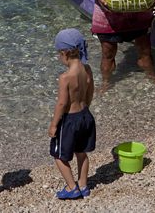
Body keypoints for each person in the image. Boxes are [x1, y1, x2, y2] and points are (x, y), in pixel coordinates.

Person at [49, 28, 96, 200]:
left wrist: (54, 124)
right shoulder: (87, 69)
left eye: (58, 54)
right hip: (85, 116)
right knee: (81, 153)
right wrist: (86, 108)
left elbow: (62, 103)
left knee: (59, 156)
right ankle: (83, 185)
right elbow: (91, 91)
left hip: (70, 120)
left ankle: (71, 187)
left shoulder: (65, 77)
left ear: (64, 53)